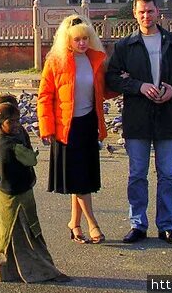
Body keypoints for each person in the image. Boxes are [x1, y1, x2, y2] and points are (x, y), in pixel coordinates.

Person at [105, 0, 172, 246]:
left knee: (167, 174)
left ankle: (167, 226)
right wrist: (138, 86)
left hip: (168, 116)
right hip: (137, 117)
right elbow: (112, 78)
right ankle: (137, 224)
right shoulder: (125, 46)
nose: (146, 16)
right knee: (137, 174)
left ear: (158, 12)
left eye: (150, 11)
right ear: (134, 14)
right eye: (141, 12)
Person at [37, 14, 117, 244]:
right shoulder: (56, 61)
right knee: (80, 180)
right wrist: (47, 128)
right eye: (77, 40)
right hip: (66, 127)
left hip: (88, 124)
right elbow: (44, 96)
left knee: (80, 179)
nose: (82, 43)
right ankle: (93, 224)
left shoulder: (96, 60)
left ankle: (74, 223)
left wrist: (126, 83)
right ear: (67, 41)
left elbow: (104, 90)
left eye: (85, 38)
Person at [0, 101, 70, 284]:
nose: (16, 125)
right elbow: (31, 159)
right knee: (29, 238)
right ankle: (44, 271)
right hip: (17, 198)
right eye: (11, 122)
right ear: (1, 123)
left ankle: (8, 272)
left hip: (3, 196)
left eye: (17, 121)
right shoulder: (12, 145)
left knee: (5, 237)